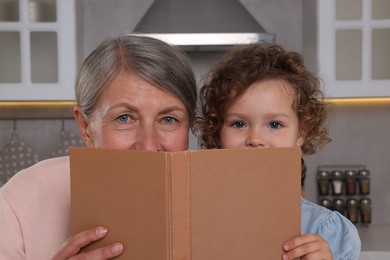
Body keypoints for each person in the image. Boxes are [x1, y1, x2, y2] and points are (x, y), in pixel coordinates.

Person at [0, 35, 197, 259]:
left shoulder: (220, 201)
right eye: (125, 118)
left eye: (168, 119)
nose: (148, 146)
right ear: (85, 127)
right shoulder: (19, 202)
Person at [196, 43, 361, 259]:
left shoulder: (328, 231)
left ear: (300, 133)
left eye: (274, 125)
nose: (255, 139)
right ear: (218, 133)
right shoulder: (197, 221)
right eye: (238, 124)